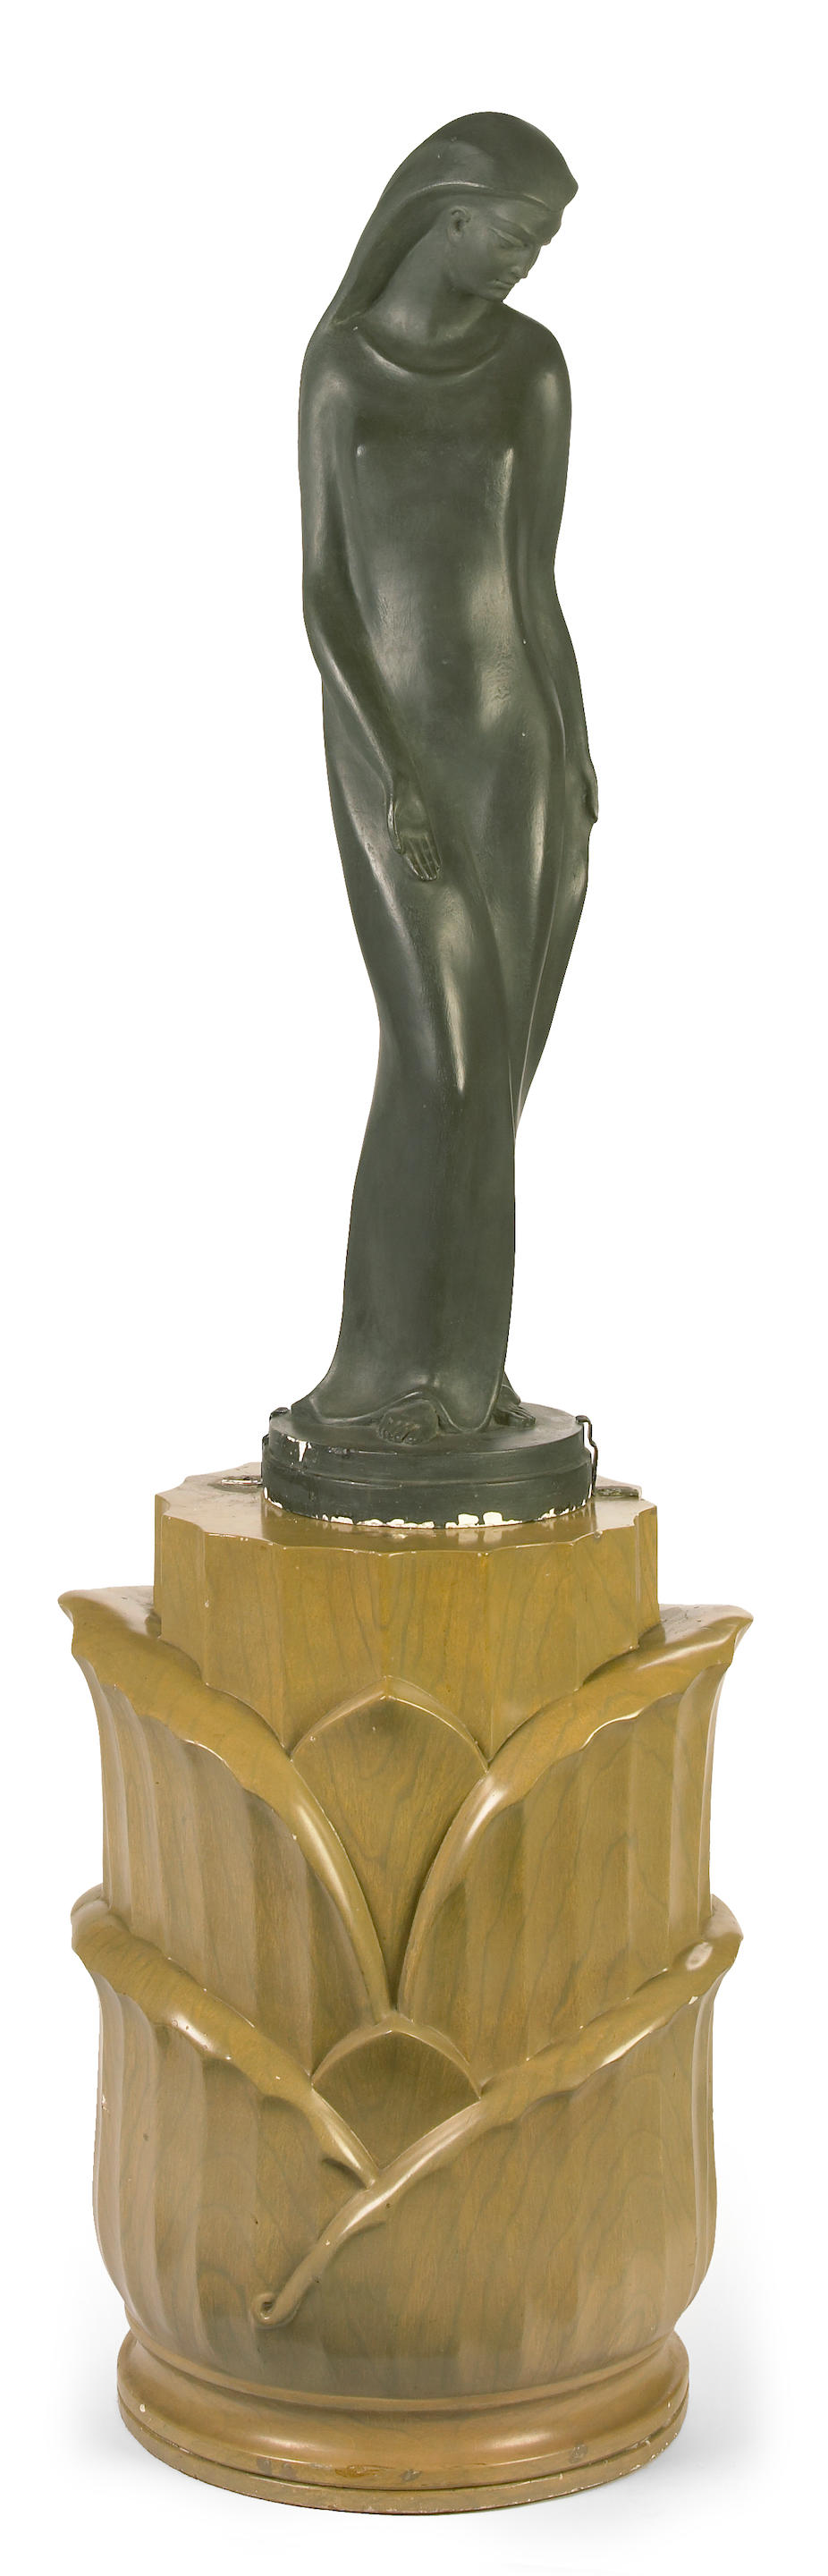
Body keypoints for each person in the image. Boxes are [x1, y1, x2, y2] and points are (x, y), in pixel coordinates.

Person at [293, 113, 598, 1448]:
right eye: (515, 234)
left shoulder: (533, 367)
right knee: (443, 1057)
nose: (528, 262)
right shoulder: (342, 367)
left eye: (544, 242)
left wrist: (575, 762)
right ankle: (383, 1369)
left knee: (496, 1071)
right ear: (446, 213)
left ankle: (464, 1374)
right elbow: (324, 594)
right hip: (391, 756)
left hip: (512, 752)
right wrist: (395, 777)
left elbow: (534, 582)